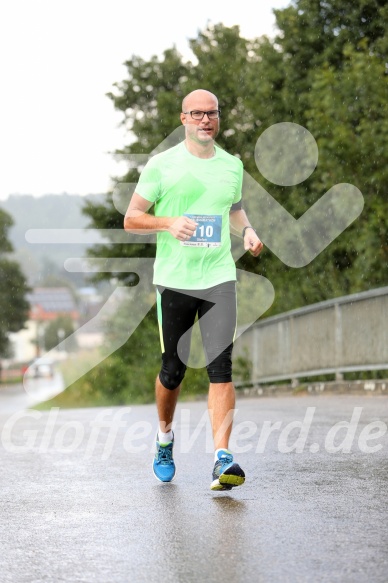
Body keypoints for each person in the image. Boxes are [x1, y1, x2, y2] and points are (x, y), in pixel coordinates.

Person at [124, 89, 263, 491]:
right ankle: (164, 440)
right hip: (175, 281)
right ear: (183, 118)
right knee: (174, 370)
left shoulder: (232, 166)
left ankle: (222, 459)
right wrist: (167, 223)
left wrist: (248, 230)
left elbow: (233, 209)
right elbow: (132, 218)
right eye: (197, 114)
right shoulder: (162, 165)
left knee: (221, 368)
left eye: (212, 113)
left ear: (219, 118)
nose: (205, 120)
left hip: (219, 277)